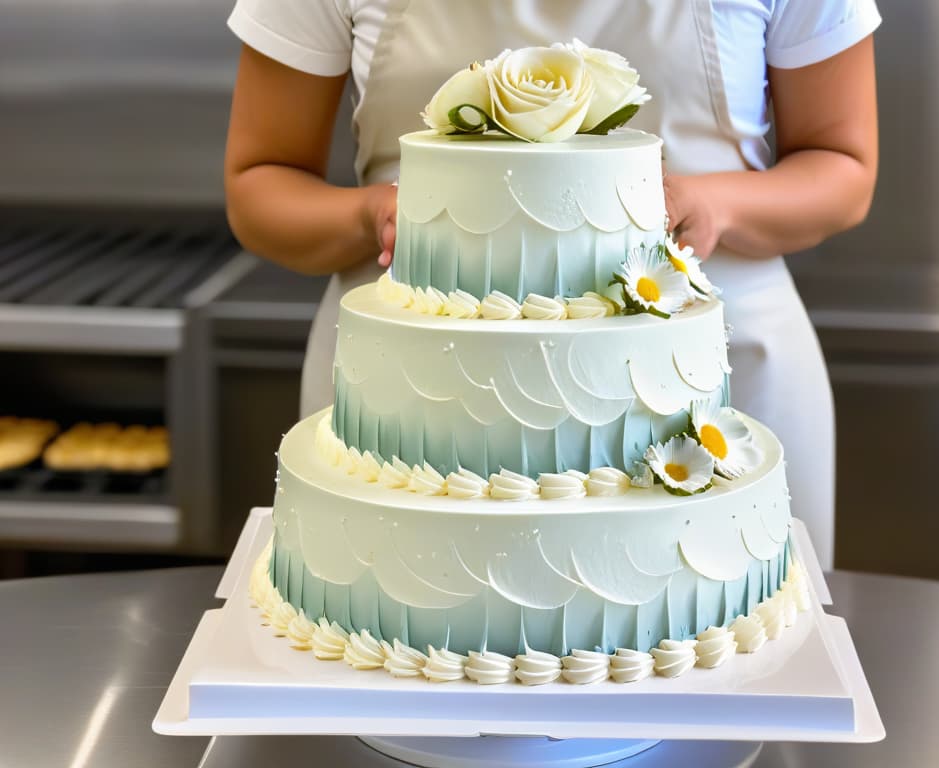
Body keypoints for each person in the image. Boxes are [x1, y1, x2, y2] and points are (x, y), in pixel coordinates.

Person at [223, 0, 881, 570]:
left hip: (719, 384)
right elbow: (260, 181)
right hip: (404, 400)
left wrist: (718, 205)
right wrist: (372, 215)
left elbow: (842, 164)